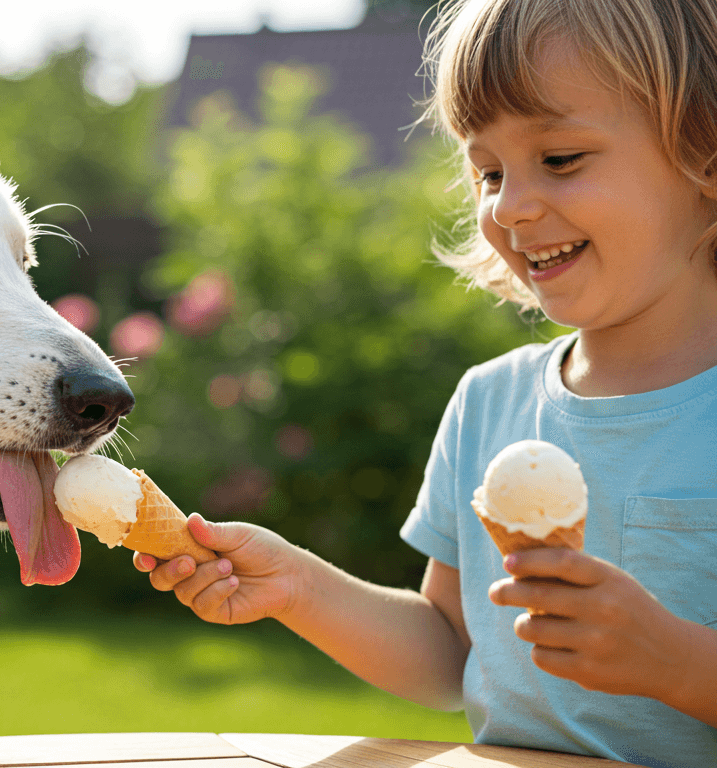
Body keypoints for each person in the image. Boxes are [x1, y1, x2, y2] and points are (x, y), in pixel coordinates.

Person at [135, 0, 717, 765]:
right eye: (488, 172)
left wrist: (678, 663)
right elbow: (450, 647)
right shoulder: (488, 403)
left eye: (562, 159)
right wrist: (299, 588)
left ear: (703, 152)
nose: (510, 205)